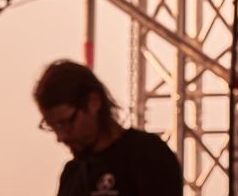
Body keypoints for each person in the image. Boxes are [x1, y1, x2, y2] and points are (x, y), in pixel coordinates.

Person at [34, 60, 183, 196]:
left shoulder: (146, 154)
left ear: (93, 102)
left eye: (65, 123)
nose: (61, 136)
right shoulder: (72, 174)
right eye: (52, 126)